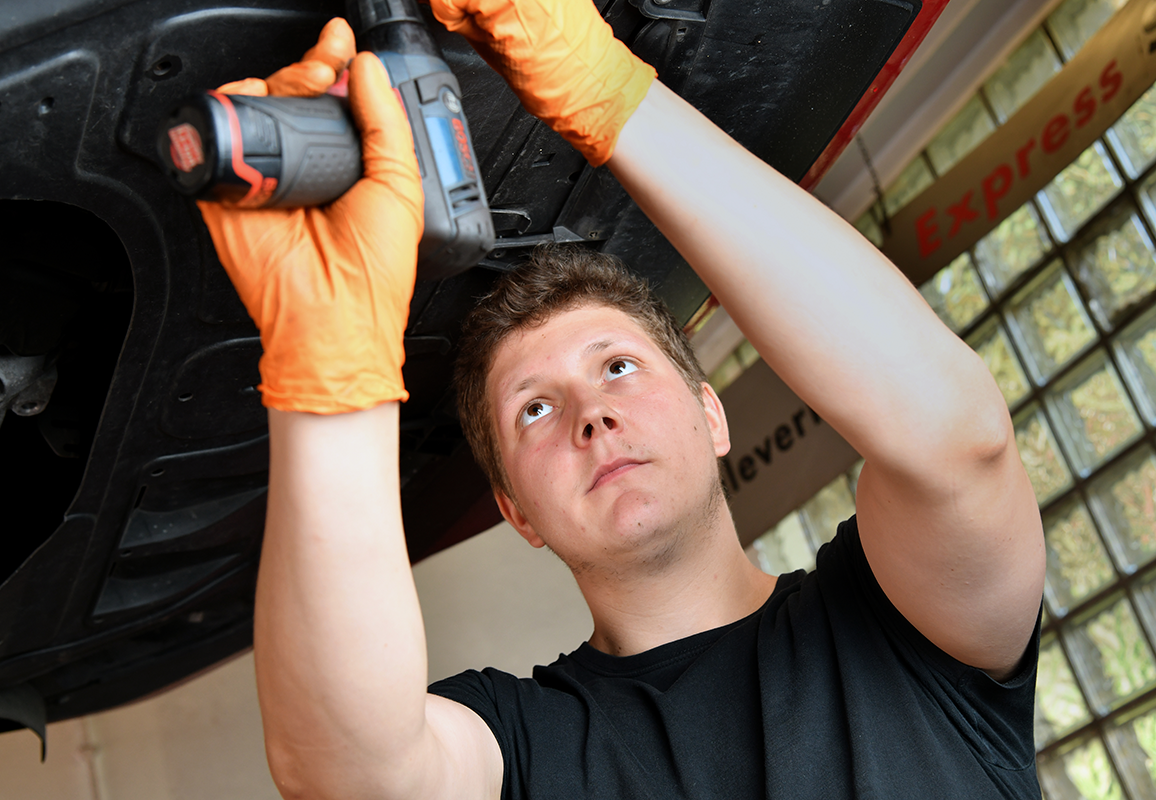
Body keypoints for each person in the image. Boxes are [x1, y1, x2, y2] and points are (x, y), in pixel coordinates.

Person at [198, 2, 1047, 798]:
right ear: (516, 513)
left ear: (710, 415)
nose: (590, 417)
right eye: (533, 409)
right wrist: (329, 360)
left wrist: (612, 94)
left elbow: (957, 443)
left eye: (618, 368)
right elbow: (347, 773)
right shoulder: (522, 746)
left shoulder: (903, 632)